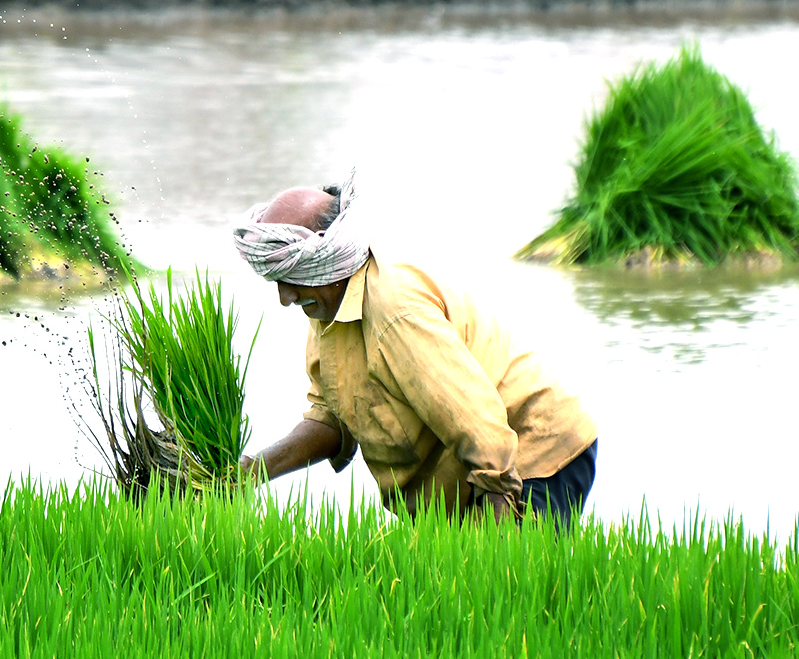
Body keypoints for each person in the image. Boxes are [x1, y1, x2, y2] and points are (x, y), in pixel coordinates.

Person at [232, 174, 598, 526]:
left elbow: (475, 419)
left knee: (508, 585)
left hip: (531, 452)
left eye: (293, 280)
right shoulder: (327, 312)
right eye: (278, 282)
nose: (285, 298)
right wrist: (249, 471)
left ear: (327, 260)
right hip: (471, 475)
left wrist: (499, 526)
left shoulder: (395, 312)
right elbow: (332, 419)